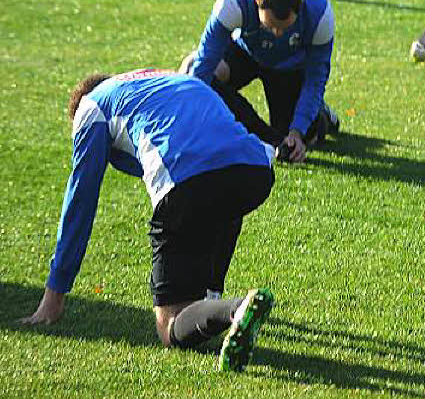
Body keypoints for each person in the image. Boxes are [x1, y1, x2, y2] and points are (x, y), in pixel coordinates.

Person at [22, 70, 277, 372]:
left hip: (189, 181)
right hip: (255, 170)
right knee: (223, 203)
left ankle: (237, 309)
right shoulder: (164, 80)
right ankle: (214, 300)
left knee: (168, 326)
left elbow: (80, 202)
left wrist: (55, 294)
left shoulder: (91, 106)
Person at [183, 0, 339, 164]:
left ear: (300, 7)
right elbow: (205, 62)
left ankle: (320, 115)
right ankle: (262, 135)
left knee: (294, 143)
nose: (277, 34)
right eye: (270, 26)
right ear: (256, 0)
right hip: (245, 52)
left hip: (287, 67)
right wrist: (189, 119)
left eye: (285, 29)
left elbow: (315, 79)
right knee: (192, 68)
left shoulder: (319, 15)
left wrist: (297, 131)